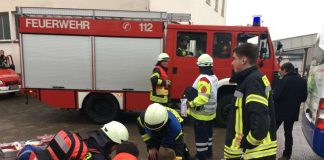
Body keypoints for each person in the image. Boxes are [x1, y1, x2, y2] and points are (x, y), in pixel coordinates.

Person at [224, 43, 277, 160]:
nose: (232, 62)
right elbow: (251, 108)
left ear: (243, 60)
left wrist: (247, 143)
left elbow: (261, 120)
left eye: (234, 58)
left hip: (254, 154)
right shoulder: (252, 78)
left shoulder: (253, 81)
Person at [183, 54, 218, 160]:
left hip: (202, 115)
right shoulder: (213, 77)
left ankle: (200, 156)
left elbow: (203, 98)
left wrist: (190, 104)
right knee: (208, 136)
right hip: (210, 114)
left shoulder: (204, 80)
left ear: (201, 66)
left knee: (201, 138)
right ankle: (208, 152)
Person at [274, 62, 307, 160]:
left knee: (271, 131)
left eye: (281, 70)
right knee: (288, 133)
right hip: (292, 112)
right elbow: (304, 98)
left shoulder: (284, 80)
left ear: (285, 70)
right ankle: (286, 155)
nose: (280, 72)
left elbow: (276, 96)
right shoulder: (302, 81)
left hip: (279, 111)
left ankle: (267, 151)